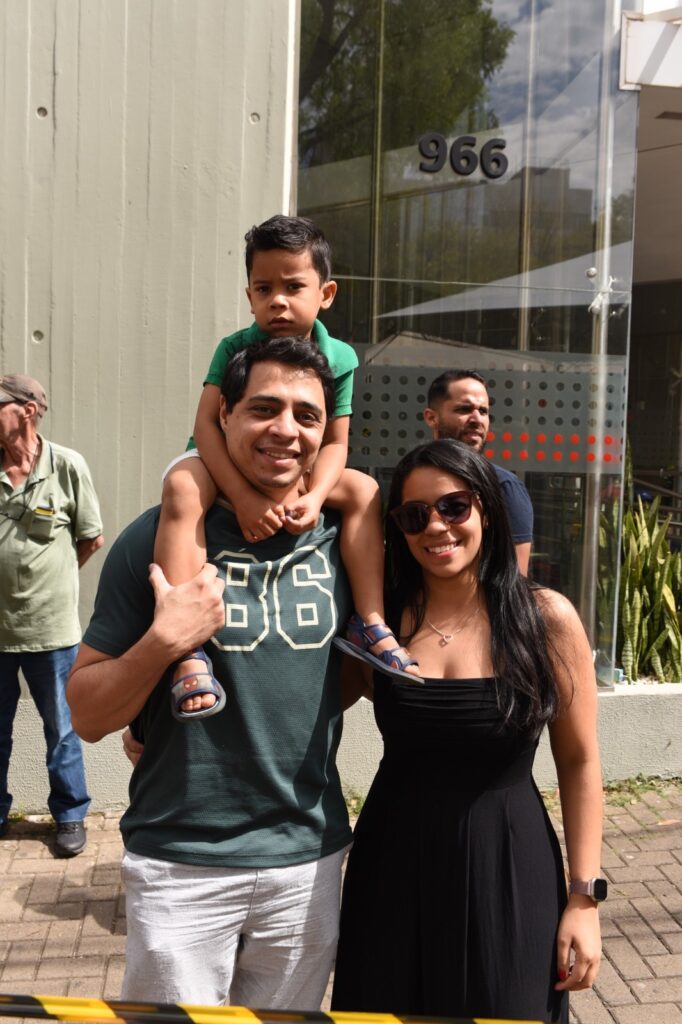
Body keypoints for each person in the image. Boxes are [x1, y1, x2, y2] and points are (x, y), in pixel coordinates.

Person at [67, 337, 355, 1007]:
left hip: (307, 858)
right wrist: (163, 642)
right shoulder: (157, 539)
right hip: (181, 861)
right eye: (264, 408)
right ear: (222, 416)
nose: (286, 429)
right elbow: (86, 714)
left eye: (307, 416)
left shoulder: (343, 541)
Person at [331, 439, 604, 1023]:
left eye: (454, 506)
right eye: (413, 515)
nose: (436, 526)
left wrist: (584, 898)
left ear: (485, 509)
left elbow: (580, 763)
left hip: (508, 861)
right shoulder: (382, 624)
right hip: (393, 862)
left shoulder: (545, 619)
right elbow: (298, 702)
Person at [156, 215, 416, 717]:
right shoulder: (234, 347)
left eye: (293, 286)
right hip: (219, 460)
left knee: (362, 491)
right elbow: (208, 426)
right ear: (249, 296)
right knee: (182, 488)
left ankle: (369, 619)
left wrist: (315, 495)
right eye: (263, 288)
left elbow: (336, 443)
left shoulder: (339, 357)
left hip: (296, 468)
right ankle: (185, 647)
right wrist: (245, 496)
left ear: (326, 293)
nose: (278, 300)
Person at [0, 373, 103, 856]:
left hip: (52, 631)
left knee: (62, 728)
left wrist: (52, 580)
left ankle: (69, 815)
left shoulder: (66, 466)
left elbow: (90, 538)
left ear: (27, 410)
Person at [424, 369, 534, 573]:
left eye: (483, 411)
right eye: (464, 409)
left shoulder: (503, 487)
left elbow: (516, 579)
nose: (477, 419)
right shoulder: (413, 481)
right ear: (431, 418)